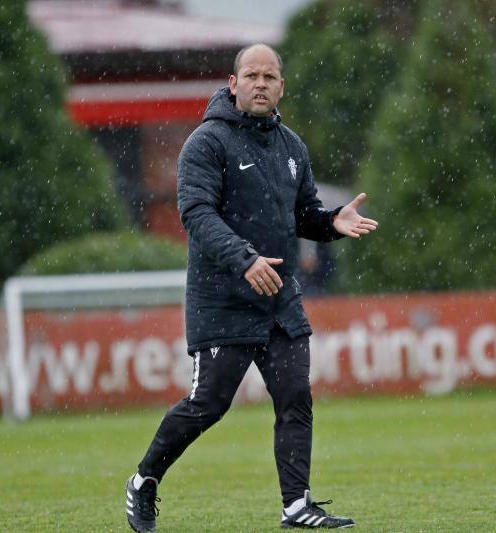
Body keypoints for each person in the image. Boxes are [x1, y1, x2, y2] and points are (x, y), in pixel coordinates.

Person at [125, 43, 378, 532]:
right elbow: (196, 214)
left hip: (279, 300)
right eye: (252, 75)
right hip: (222, 300)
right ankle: (143, 480)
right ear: (233, 83)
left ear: (282, 86)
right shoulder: (206, 143)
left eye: (270, 76)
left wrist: (331, 222)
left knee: (294, 397)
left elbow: (303, 215)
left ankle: (296, 505)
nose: (261, 83)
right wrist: (245, 259)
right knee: (209, 405)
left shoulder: (292, 147)